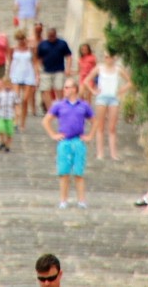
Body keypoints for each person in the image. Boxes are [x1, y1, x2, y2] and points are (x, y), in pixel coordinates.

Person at [42, 78, 95, 209]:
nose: (64, 90)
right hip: (64, 141)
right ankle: (63, 200)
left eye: (67, 87)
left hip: (78, 141)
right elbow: (46, 121)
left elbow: (95, 121)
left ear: (74, 89)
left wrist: (90, 136)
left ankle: (81, 200)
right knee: (63, 173)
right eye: (64, 87)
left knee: (79, 173)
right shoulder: (59, 105)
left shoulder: (84, 105)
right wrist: (53, 135)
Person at [82, 53, 132, 160]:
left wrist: (121, 91)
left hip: (114, 99)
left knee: (112, 128)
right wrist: (93, 91)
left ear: (115, 58)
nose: (108, 59)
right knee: (100, 127)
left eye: (110, 57)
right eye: (106, 57)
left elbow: (130, 82)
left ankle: (113, 153)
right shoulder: (99, 68)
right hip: (101, 98)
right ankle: (100, 153)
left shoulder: (118, 69)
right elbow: (86, 80)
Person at [36, 28, 73, 111]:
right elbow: (38, 58)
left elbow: (69, 56)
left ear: (55, 35)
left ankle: (61, 107)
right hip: (46, 70)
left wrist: (68, 68)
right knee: (45, 90)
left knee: (59, 88)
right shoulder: (42, 44)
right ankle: (50, 110)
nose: (51, 38)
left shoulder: (62, 44)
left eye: (52, 36)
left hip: (59, 70)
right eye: (49, 36)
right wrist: (38, 70)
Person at [7, 30, 38, 128]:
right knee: (16, 98)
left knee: (25, 100)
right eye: (19, 39)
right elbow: (10, 62)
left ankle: (23, 123)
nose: (21, 41)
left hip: (28, 74)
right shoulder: (13, 49)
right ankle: (15, 121)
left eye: (22, 39)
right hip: (16, 74)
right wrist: (8, 76)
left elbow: (35, 62)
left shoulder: (31, 49)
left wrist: (37, 75)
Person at [0, 76, 19, 152]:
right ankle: (2, 141)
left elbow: (16, 104)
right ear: (3, 85)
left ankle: (7, 146)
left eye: (9, 85)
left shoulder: (14, 95)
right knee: (0, 129)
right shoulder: (0, 94)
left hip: (10, 115)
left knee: (10, 132)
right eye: (6, 85)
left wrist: (17, 112)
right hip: (1, 115)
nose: (8, 87)